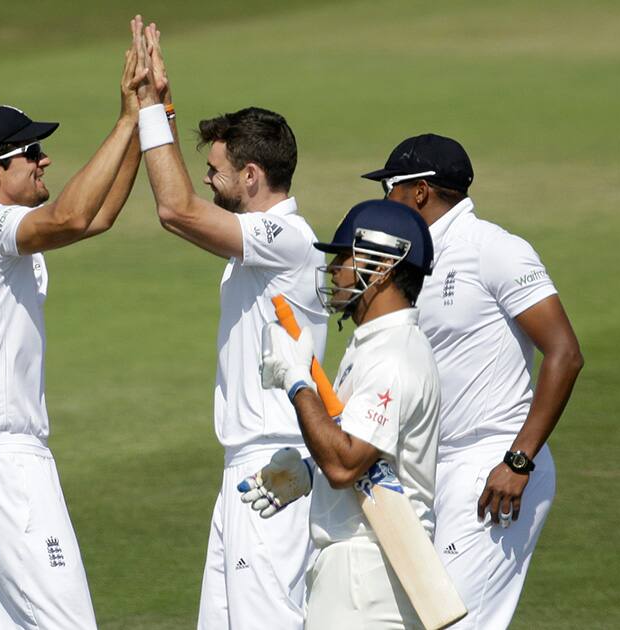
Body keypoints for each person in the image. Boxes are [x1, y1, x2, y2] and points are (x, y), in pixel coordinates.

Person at [0, 33, 145, 629]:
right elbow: (74, 214)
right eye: (31, 152)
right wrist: (126, 117)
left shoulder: (5, 232)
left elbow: (99, 217)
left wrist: (148, 120)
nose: (44, 159)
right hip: (1, 460)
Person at [130, 21, 328, 629]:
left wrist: (147, 113)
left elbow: (175, 209)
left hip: (275, 466)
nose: (208, 179)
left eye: (216, 169)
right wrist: (161, 102)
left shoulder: (285, 238)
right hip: (249, 466)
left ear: (250, 175)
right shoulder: (263, 247)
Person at [362, 134, 584, 628]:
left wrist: (518, 461)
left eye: (391, 190)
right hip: (431, 467)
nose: (386, 203)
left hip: (494, 468)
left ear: (419, 192)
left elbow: (564, 354)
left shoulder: (494, 249)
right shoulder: (412, 262)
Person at [250, 199, 442, 628]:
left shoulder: (394, 357)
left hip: (368, 573)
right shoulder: (373, 347)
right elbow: (363, 459)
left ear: (383, 267)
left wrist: (297, 381)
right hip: (362, 568)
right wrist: (308, 471)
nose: (334, 269)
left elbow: (344, 463)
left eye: (344, 257)